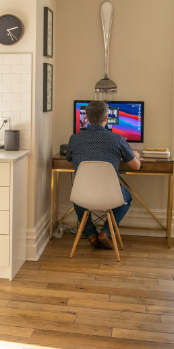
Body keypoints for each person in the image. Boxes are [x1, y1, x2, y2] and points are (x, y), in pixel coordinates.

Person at [66, 100, 140, 249]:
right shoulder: (117, 139)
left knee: (77, 197)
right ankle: (106, 232)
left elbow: (69, 158)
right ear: (106, 118)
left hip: (83, 194)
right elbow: (136, 166)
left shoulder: (74, 139)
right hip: (110, 195)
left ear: (86, 117)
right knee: (127, 197)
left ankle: (90, 234)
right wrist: (134, 155)